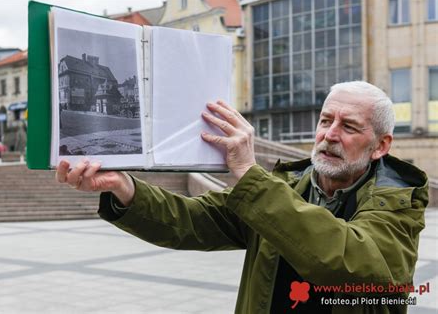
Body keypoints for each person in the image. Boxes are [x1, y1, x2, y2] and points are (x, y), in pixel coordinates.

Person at [56, 81, 428, 313]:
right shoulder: (286, 186)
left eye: (349, 127)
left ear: (381, 146)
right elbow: (193, 221)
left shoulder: (399, 201)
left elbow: (358, 265)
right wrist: (125, 187)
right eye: (325, 120)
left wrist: (251, 176)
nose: (330, 134)